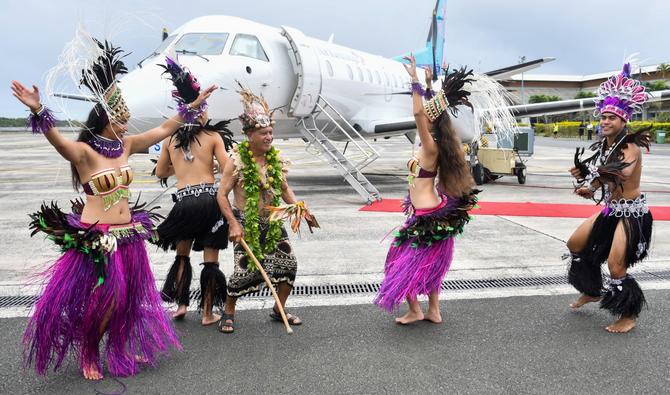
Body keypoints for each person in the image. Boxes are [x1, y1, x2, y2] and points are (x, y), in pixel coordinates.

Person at [13, 37, 215, 380]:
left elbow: (165, 129)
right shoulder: (84, 153)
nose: (126, 125)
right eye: (121, 119)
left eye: (126, 119)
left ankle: (119, 346)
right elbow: (58, 140)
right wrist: (37, 109)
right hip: (98, 239)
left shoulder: (127, 145)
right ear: (104, 119)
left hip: (128, 235)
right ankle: (90, 351)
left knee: (127, 300)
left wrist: (190, 106)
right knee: (109, 297)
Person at [373, 55, 480, 324]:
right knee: (429, 264)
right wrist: (431, 85)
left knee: (397, 262)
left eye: (427, 119)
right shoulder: (435, 144)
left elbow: (419, 113)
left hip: (424, 214)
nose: (423, 121)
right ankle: (433, 310)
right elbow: (431, 112)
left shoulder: (429, 145)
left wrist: (414, 81)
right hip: (427, 210)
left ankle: (415, 310)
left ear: (431, 123)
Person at [216, 86, 316, 333]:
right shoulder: (237, 160)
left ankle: (278, 309)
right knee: (244, 271)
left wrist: (300, 210)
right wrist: (233, 223)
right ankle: (228, 312)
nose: (269, 137)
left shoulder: (275, 159)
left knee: (288, 265)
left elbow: (284, 189)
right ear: (250, 134)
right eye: (263, 133)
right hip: (245, 222)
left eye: (270, 132)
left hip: (273, 219)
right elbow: (221, 195)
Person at [567, 62, 652, 333]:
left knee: (616, 265)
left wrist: (592, 172)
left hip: (632, 214)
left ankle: (628, 315)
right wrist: (590, 187)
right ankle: (592, 290)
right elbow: (603, 174)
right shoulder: (607, 144)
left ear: (623, 120)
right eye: (603, 116)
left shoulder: (630, 145)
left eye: (611, 118)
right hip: (611, 209)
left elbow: (622, 173)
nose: (605, 121)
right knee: (576, 245)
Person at [154, 57, 234, 326]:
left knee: (182, 254)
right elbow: (227, 169)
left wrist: (182, 167)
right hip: (210, 201)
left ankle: (182, 305)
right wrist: (212, 164)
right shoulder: (213, 137)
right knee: (210, 259)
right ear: (201, 110)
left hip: (184, 202)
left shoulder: (169, 139)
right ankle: (209, 313)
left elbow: (161, 173)